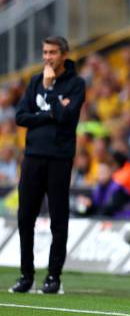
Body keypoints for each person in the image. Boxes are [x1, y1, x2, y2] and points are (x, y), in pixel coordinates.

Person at [10, 36, 86, 294]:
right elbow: (21, 117)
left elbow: (66, 118)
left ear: (64, 54)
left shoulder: (76, 84)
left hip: (59, 159)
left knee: (58, 219)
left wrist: (51, 90)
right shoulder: (34, 82)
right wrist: (49, 113)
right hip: (32, 157)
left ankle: (53, 276)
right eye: (44, 52)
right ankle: (26, 275)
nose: (47, 57)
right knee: (25, 218)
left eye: (52, 52)